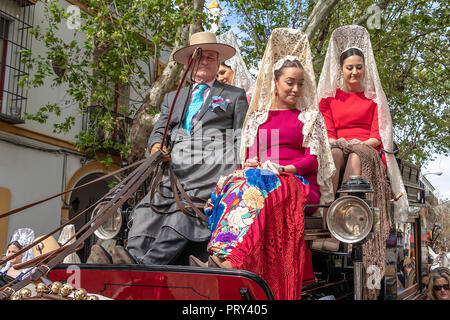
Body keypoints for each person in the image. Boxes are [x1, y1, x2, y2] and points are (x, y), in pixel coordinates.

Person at [191, 28, 335, 300]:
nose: (295, 89)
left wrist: (285, 169)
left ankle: (232, 262)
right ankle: (219, 255)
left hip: (297, 181)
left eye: (300, 83)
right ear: (276, 83)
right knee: (235, 182)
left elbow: (313, 160)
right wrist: (253, 162)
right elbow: (250, 155)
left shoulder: (309, 117)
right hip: (263, 176)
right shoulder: (257, 117)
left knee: (259, 184)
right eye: (290, 82)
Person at [87, 31, 249, 266]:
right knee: (145, 210)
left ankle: (145, 265)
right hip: (173, 171)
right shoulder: (173, 97)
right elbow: (159, 129)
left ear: (217, 63)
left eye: (210, 57)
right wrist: (155, 146)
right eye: (199, 56)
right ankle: (128, 259)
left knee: (183, 214)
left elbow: (240, 137)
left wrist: (233, 173)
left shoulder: (234, 95)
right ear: (190, 62)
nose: (204, 61)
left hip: (211, 172)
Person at [317, 25, 408, 300]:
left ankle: (346, 221)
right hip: (337, 148)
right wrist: (343, 144)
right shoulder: (328, 101)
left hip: (366, 151)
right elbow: (329, 136)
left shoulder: (374, 102)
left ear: (364, 69)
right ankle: (329, 220)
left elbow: (377, 138)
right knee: (334, 153)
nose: (354, 72)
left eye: (359, 67)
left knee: (355, 154)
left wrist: (353, 145)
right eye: (349, 68)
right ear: (341, 69)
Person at [217, 30, 255, 103]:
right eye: (216, 76)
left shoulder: (254, 94)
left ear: (235, 69)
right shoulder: (219, 100)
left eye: (222, 73)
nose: (219, 79)